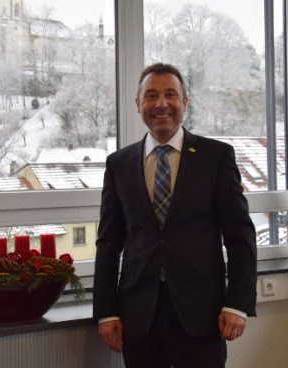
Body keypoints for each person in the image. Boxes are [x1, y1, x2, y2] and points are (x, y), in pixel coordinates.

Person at [94, 63, 257, 367]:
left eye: (171, 94)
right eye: (151, 95)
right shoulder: (119, 164)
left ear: (185, 102)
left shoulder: (216, 157)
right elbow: (108, 242)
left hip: (202, 316)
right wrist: (107, 311)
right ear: (138, 104)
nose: (161, 104)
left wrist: (237, 303)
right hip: (139, 317)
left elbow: (240, 236)